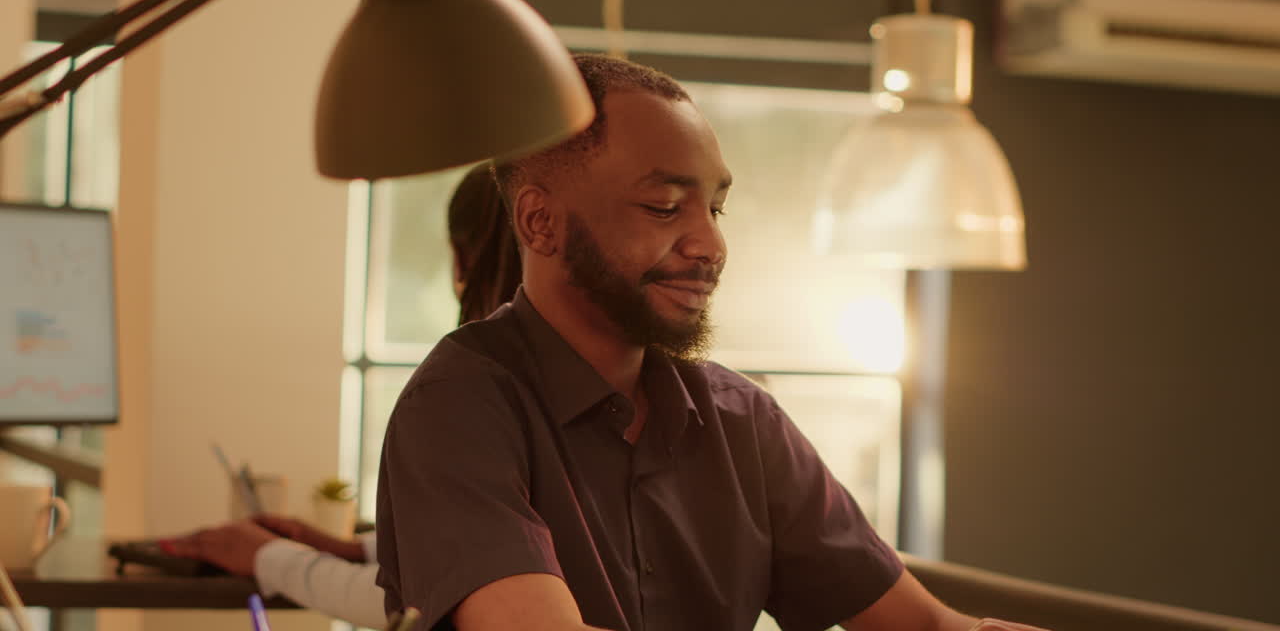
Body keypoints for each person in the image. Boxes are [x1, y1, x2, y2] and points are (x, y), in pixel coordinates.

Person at [376, 53, 1049, 631]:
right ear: (541, 222)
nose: (711, 244)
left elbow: (925, 625)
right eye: (665, 207)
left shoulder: (742, 421)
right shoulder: (457, 405)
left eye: (715, 208)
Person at [160, 163, 520, 629]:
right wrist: (355, 549)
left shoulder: (469, 392)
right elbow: (486, 543)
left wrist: (269, 558)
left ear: (460, 260)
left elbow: (422, 598)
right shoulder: (534, 383)